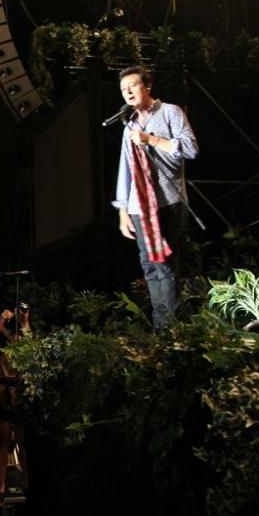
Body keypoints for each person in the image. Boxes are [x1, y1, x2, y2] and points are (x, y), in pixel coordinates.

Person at [112, 65, 199, 330]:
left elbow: (191, 149)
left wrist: (151, 139)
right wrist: (123, 210)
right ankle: (160, 328)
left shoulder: (170, 112)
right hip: (139, 207)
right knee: (148, 266)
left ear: (147, 86)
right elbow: (125, 169)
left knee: (166, 266)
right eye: (123, 89)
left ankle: (171, 329)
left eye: (133, 86)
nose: (127, 92)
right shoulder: (129, 125)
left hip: (167, 202)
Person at [0, 307, 29, 505]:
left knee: (23, 443)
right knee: (2, 443)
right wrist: (0, 323)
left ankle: (27, 482)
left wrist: (25, 321)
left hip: (20, 397)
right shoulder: (1, 349)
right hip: (1, 396)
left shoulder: (26, 347)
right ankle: (0, 487)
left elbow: (32, 343)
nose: (14, 335)